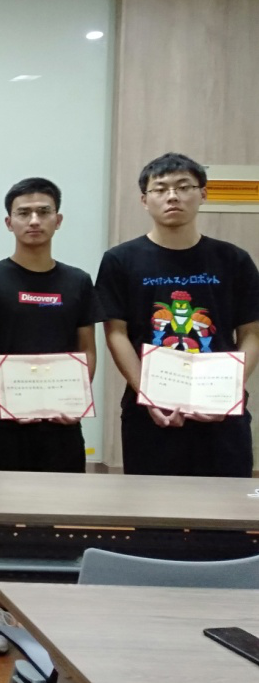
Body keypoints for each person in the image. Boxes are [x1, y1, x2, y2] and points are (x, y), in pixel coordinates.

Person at [0, 177, 100, 653]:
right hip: (3, 422)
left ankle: (47, 610)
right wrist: (2, 397)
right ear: (9, 222)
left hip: (61, 425)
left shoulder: (77, 281)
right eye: (24, 212)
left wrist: (75, 398)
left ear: (58, 220)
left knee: (57, 515)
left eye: (43, 212)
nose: (34, 220)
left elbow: (87, 349)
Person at [96, 152, 259, 477]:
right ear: (144, 200)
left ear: (203, 194)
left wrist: (227, 389)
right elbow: (116, 333)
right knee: (152, 504)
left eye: (184, 187)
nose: (172, 196)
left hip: (221, 408)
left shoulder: (233, 259)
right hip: (150, 408)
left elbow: (251, 333)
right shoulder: (120, 260)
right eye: (160, 189)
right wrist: (147, 393)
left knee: (225, 504)